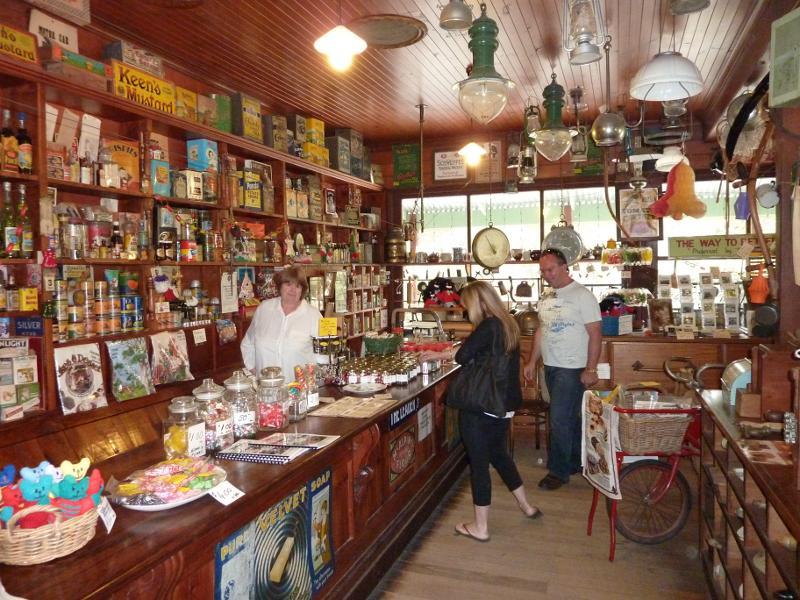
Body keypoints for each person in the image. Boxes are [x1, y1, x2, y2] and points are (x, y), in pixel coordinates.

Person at [421, 280, 542, 543]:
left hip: (483, 404)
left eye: (467, 305)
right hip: (504, 403)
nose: (466, 311)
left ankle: (480, 527)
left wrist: (439, 355)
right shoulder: (507, 323)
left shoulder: (488, 326)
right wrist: (440, 355)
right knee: (499, 454)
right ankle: (526, 506)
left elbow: (463, 356)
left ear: (478, 303)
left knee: (478, 464)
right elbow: (478, 351)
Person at [524, 248, 602, 491]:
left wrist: (591, 369)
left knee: (559, 420)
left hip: (572, 368)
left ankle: (558, 472)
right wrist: (531, 361)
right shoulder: (546, 297)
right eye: (543, 271)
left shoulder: (582, 295)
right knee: (569, 418)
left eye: (551, 269)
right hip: (551, 366)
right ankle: (573, 463)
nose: (547, 274)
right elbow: (541, 331)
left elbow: (595, 334)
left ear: (564, 267)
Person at [241, 266, 321, 380]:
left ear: (302, 290)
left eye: (297, 286)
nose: (293, 290)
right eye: (288, 284)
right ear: (280, 286)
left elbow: (324, 355)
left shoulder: (313, 315)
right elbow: (248, 342)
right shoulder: (264, 309)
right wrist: (253, 369)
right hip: (266, 387)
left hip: (298, 388)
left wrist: (313, 379)